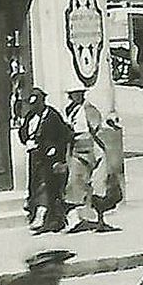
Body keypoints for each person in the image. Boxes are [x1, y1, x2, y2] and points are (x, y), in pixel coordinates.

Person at [18, 88, 69, 233]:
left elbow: (63, 135)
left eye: (37, 104)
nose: (35, 108)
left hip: (49, 157)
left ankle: (42, 216)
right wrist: (26, 139)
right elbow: (23, 132)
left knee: (45, 185)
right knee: (34, 184)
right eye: (32, 105)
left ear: (43, 102)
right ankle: (40, 214)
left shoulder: (52, 116)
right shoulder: (30, 116)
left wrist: (55, 149)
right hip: (34, 155)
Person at [61, 88, 109, 234]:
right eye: (72, 95)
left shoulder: (89, 110)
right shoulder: (70, 109)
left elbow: (96, 130)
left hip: (87, 148)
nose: (74, 97)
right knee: (74, 184)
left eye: (76, 94)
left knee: (85, 184)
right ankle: (77, 218)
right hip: (74, 147)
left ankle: (90, 218)